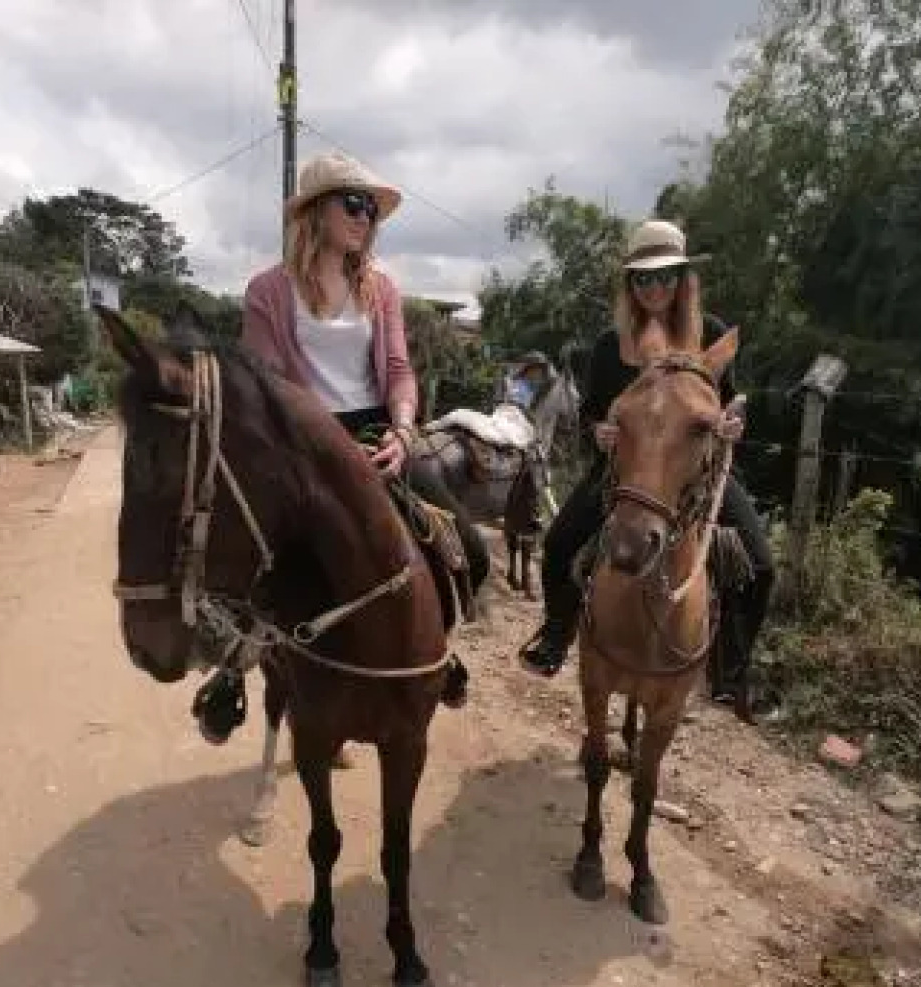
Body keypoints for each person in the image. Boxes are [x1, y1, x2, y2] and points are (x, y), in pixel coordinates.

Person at [187, 151, 484, 744]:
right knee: (246, 556)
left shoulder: (381, 289)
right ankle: (233, 670)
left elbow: (398, 371)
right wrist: (314, 445)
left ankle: (437, 648)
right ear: (316, 212)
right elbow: (268, 384)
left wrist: (403, 431)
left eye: (371, 210)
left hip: (376, 436)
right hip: (300, 443)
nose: (365, 218)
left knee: (466, 548)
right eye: (354, 204)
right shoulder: (267, 292)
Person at [518, 219, 775, 710]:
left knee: (760, 566)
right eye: (643, 278)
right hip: (625, 472)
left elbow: (727, 403)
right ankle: (556, 635)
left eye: (665, 276)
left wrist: (730, 426)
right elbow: (592, 411)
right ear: (630, 283)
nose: (654, 287)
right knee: (559, 543)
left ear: (682, 278)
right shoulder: (608, 345)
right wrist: (599, 431)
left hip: (694, 472)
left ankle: (731, 673)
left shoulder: (710, 333)